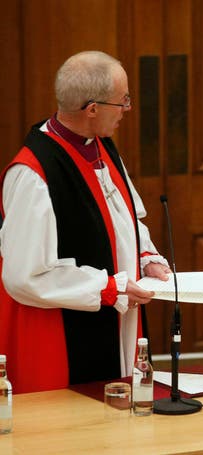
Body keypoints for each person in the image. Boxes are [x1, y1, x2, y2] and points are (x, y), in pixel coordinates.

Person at [0, 51, 172, 393]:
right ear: (91, 109)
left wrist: (145, 257)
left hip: (115, 316)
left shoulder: (101, 145)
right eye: (122, 101)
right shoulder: (33, 175)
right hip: (60, 332)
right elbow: (23, 276)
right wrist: (106, 288)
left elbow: (123, 217)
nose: (128, 108)